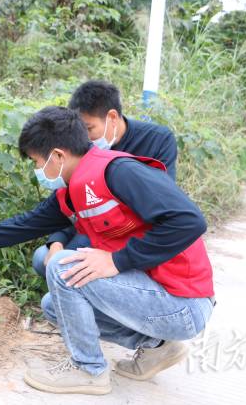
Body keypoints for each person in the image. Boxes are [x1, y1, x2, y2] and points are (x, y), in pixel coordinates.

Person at [0, 106, 215, 395]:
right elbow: (22, 225)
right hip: (156, 299)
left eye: (37, 162)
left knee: (63, 267)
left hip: (183, 303)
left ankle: (88, 370)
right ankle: (158, 347)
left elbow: (190, 221)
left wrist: (117, 260)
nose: (37, 170)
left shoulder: (118, 171)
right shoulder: (72, 189)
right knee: (54, 306)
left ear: (59, 155)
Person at [33, 81, 178, 326]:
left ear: (112, 117)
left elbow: (162, 206)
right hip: (94, 227)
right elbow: (67, 203)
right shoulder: (81, 148)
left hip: (129, 231)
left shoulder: (156, 141)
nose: (86, 138)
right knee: (43, 257)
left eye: (90, 128)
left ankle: (125, 308)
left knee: (65, 266)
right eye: (81, 130)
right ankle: (92, 311)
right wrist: (57, 241)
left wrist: (113, 258)